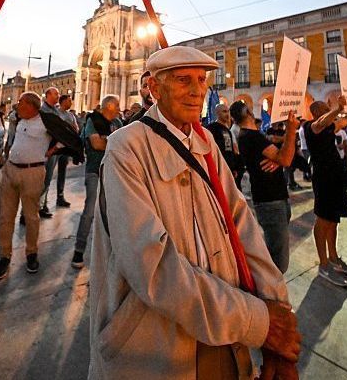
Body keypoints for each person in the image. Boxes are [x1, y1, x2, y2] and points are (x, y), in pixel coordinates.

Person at [89, 46, 299, 379]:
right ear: (155, 89)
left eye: (201, 80)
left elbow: (243, 228)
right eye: (184, 79)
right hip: (159, 343)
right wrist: (258, 322)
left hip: (230, 334)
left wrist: (278, 318)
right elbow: (153, 266)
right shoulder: (125, 147)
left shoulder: (205, 142)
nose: (197, 90)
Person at [0, 92, 56, 280]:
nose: (17, 105)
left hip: (33, 173)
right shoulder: (19, 120)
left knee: (31, 217)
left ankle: (31, 253)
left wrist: (51, 151)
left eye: (20, 102)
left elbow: (66, 135)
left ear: (31, 105)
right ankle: (4, 256)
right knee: (5, 216)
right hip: (11, 170)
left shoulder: (47, 121)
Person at [231, 100, 300, 272]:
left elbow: (281, 157)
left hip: (275, 197)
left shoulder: (253, 136)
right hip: (271, 200)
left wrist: (278, 158)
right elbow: (286, 159)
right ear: (247, 112)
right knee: (279, 261)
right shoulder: (251, 137)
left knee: (276, 249)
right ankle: (272, 294)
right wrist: (291, 129)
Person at [304, 96, 347, 287]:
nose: (329, 111)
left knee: (333, 219)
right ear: (317, 112)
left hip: (336, 176)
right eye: (325, 108)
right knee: (323, 218)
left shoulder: (329, 127)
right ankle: (324, 263)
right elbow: (322, 122)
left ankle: (334, 258)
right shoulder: (311, 127)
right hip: (323, 177)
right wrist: (336, 109)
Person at [70, 94, 122, 270]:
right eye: (117, 107)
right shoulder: (92, 120)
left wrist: (107, 140)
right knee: (90, 211)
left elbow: (123, 144)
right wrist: (112, 141)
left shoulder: (119, 123)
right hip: (95, 170)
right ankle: (79, 249)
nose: (119, 110)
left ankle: (112, 251)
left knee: (113, 213)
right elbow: (97, 144)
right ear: (109, 107)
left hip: (114, 172)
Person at [39, 89, 78, 217]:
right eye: (56, 94)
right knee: (43, 178)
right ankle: (37, 206)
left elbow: (70, 129)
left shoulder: (58, 112)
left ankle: (42, 204)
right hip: (47, 148)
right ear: (48, 95)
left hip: (58, 148)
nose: (58, 96)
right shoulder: (43, 110)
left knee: (49, 177)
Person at [208, 103, 244, 188]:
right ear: (217, 113)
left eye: (228, 111)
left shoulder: (227, 130)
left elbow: (230, 150)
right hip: (218, 168)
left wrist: (234, 167)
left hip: (229, 168)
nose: (227, 114)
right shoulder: (212, 128)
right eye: (224, 111)